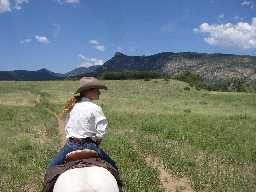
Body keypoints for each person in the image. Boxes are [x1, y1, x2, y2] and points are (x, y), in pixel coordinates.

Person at [48, 76, 118, 170]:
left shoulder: (72, 106)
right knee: (113, 166)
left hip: (71, 145)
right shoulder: (96, 108)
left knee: (51, 167)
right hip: (90, 145)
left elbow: (67, 127)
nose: (99, 92)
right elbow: (101, 131)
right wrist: (96, 143)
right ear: (89, 91)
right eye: (97, 90)